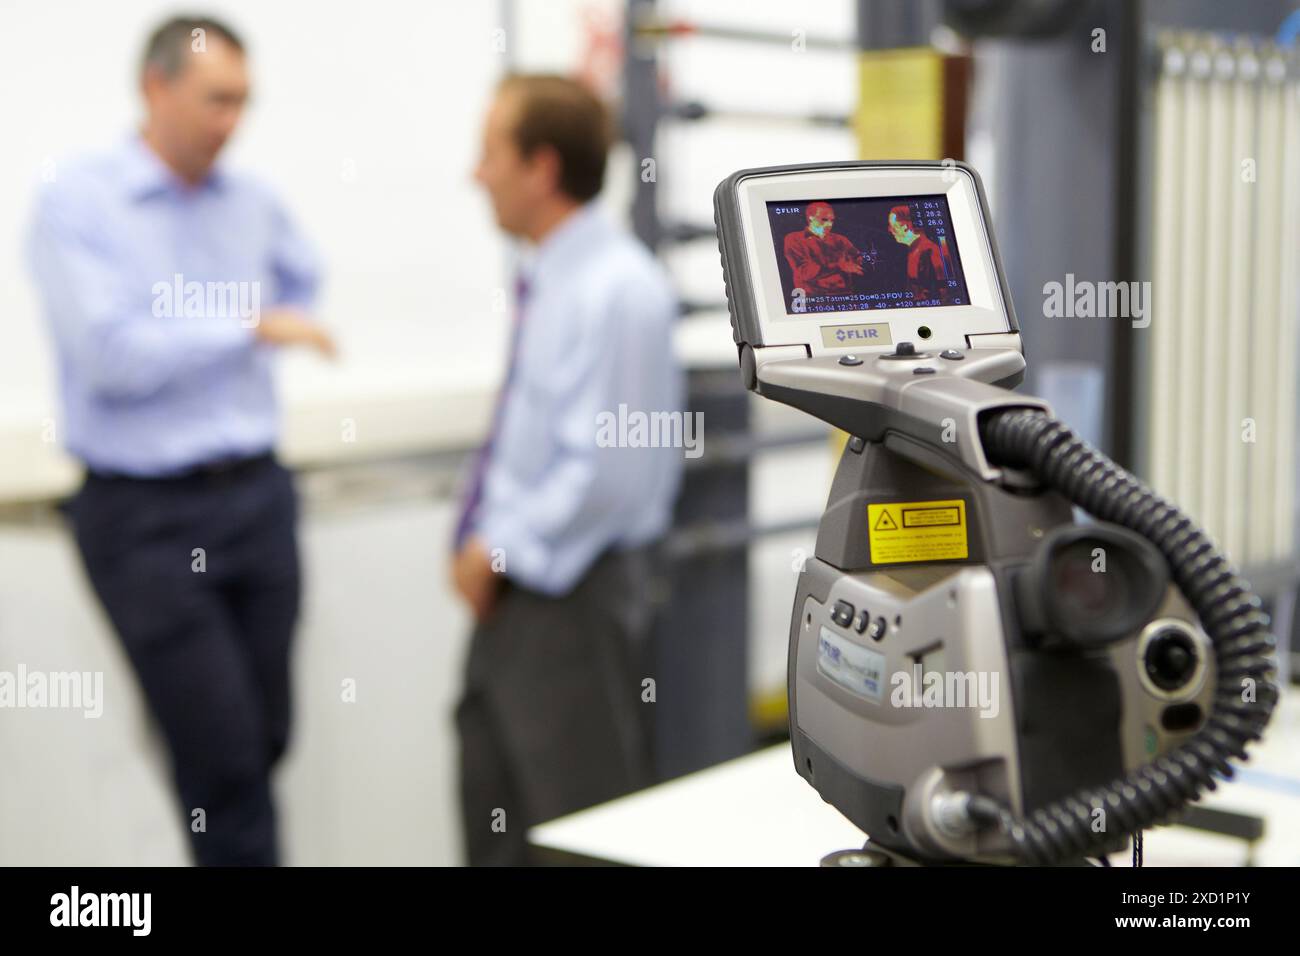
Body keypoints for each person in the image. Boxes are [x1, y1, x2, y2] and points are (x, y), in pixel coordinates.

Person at [27, 15, 335, 866]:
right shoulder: (78, 201)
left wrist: (267, 321)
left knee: (267, 739)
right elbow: (113, 356)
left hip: (257, 497)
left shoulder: (253, 203)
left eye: (242, 101)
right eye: (214, 100)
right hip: (145, 519)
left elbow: (307, 282)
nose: (229, 121)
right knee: (226, 763)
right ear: (154, 88)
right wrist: (247, 325)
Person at [452, 73, 684, 866]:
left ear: (541, 168)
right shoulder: (553, 279)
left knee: (579, 837)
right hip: (523, 594)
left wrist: (494, 550)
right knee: (497, 819)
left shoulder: (617, 290)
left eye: (489, 154)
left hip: (570, 596)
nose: (474, 174)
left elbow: (609, 475)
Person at [783, 200, 864, 296]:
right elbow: (804, 272)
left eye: (832, 220)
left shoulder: (840, 240)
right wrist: (839, 266)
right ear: (810, 218)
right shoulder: (794, 239)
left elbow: (858, 258)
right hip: (813, 298)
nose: (829, 224)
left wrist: (857, 263)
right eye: (824, 220)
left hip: (845, 295)